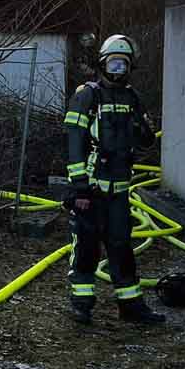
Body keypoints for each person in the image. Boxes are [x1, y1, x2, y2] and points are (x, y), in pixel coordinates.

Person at [64, 34, 162, 326]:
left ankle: (130, 305)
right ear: (102, 64)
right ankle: (81, 303)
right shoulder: (87, 95)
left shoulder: (132, 97)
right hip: (91, 190)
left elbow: (146, 142)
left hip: (119, 190)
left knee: (121, 247)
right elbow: (74, 143)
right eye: (113, 63)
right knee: (86, 247)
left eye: (124, 64)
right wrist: (79, 186)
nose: (118, 69)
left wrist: (143, 126)